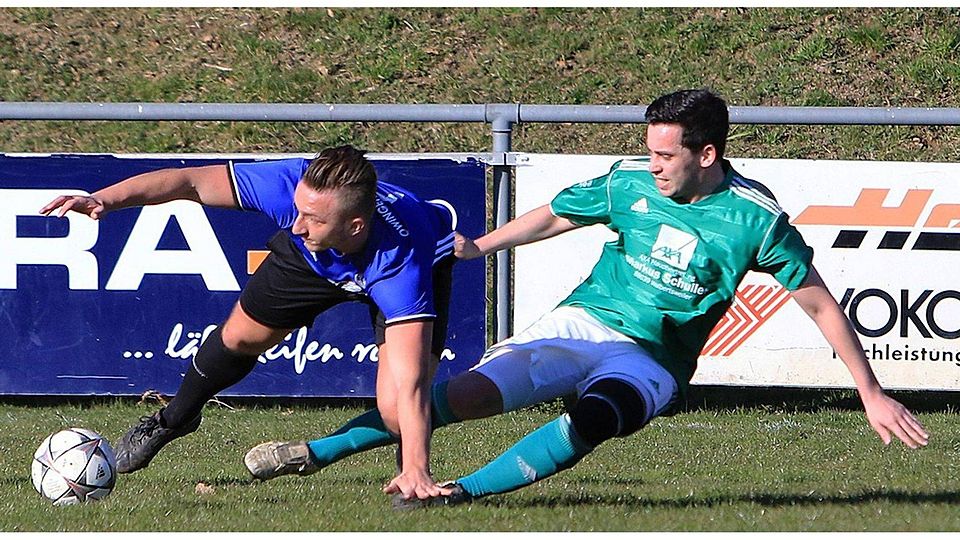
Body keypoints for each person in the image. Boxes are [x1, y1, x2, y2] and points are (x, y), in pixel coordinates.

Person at [242, 89, 930, 508]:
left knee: (599, 418)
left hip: (655, 359)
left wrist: (869, 391)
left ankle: (454, 494)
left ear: (708, 155)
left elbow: (818, 303)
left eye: (665, 155)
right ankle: (316, 451)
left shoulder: (755, 218)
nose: (651, 163)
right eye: (650, 151)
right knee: (463, 399)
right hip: (582, 323)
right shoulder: (629, 181)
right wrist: (483, 246)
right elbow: (558, 214)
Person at [39, 145, 459, 502]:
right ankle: (175, 418)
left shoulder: (401, 268)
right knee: (239, 337)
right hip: (317, 258)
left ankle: (408, 478)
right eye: (298, 210)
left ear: (354, 225)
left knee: (396, 412)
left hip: (413, 261)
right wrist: (105, 200)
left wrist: (419, 469)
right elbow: (191, 183)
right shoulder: (296, 193)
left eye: (312, 217)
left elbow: (412, 384)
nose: (296, 224)